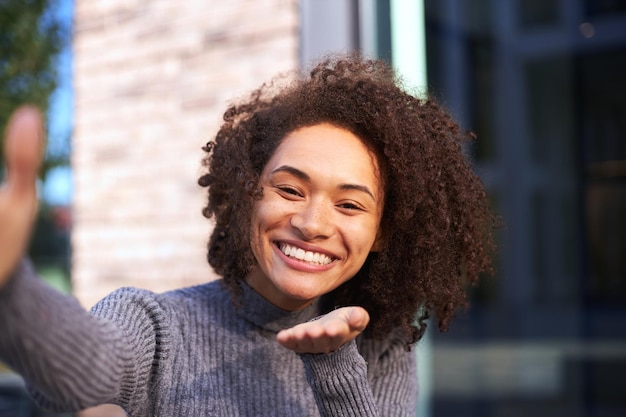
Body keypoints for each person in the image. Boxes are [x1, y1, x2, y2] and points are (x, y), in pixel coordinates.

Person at [0, 55, 496, 416]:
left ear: (383, 231)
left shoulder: (380, 348)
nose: (313, 223)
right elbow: (83, 371)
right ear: (247, 194)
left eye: (349, 205)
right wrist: (12, 290)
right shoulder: (155, 326)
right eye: (289, 189)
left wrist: (334, 366)